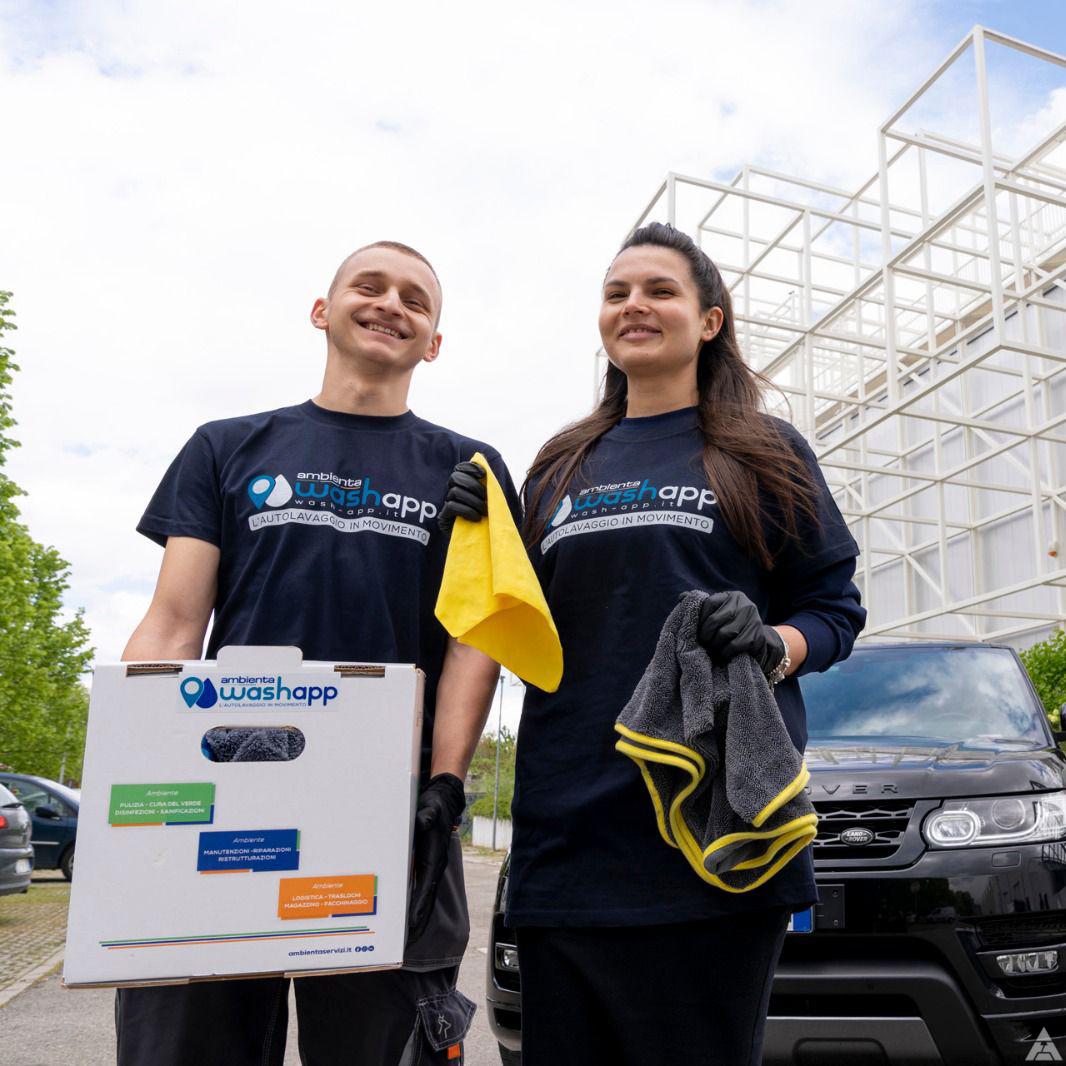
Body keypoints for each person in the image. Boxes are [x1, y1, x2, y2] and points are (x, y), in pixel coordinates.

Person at [444, 222, 865, 1066]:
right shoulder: (562, 464)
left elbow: (834, 610)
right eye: (617, 293)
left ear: (709, 320)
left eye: (659, 290)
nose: (634, 305)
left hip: (708, 834)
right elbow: (509, 621)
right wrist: (469, 525)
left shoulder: (766, 451)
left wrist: (770, 642)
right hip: (568, 835)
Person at [118, 240, 516, 1066]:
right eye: (368, 287)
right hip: (230, 795)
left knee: (384, 1048)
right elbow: (173, 621)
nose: (390, 304)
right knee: (189, 1045)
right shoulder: (226, 447)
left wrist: (444, 786)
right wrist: (128, 766)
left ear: (434, 342)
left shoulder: (468, 470)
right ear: (321, 309)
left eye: (416, 299)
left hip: (393, 814)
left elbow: (474, 643)